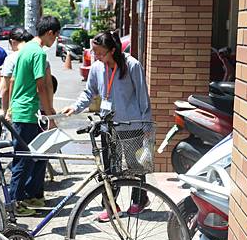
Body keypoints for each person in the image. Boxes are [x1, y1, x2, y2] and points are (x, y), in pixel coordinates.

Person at [61, 30, 152, 221]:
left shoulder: (132, 65)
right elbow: (89, 93)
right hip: (107, 125)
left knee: (135, 165)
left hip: (130, 124)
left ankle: (139, 200)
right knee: (109, 168)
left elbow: (143, 96)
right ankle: (111, 205)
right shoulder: (96, 68)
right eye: (95, 53)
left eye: (101, 53)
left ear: (113, 50)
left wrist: (146, 125)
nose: (98, 57)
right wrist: (75, 107)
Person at [8, 16, 59, 217]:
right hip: (29, 112)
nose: (54, 42)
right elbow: (41, 85)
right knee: (23, 159)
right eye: (55, 37)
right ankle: (14, 204)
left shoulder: (25, 48)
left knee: (26, 158)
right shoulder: (38, 52)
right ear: (50, 33)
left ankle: (20, 199)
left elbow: (14, 80)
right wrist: (49, 112)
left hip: (21, 110)